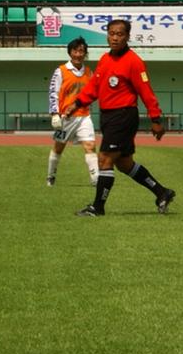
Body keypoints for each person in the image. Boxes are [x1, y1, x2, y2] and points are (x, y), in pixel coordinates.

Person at [60, 18, 176, 217]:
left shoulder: (134, 62)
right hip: (108, 117)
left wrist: (156, 120)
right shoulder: (105, 59)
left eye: (120, 34)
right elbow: (94, 87)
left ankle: (97, 207)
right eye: (112, 33)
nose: (115, 38)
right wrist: (77, 104)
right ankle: (162, 192)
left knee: (104, 159)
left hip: (123, 116)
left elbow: (146, 91)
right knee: (124, 163)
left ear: (127, 37)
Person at [46, 37, 99, 187]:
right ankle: (51, 176)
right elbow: (53, 92)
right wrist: (54, 113)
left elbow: (93, 92)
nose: (78, 54)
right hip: (66, 118)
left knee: (90, 145)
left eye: (81, 51)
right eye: (75, 51)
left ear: (85, 54)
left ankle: (96, 179)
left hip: (84, 116)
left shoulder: (89, 72)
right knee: (58, 148)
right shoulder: (61, 71)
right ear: (70, 53)